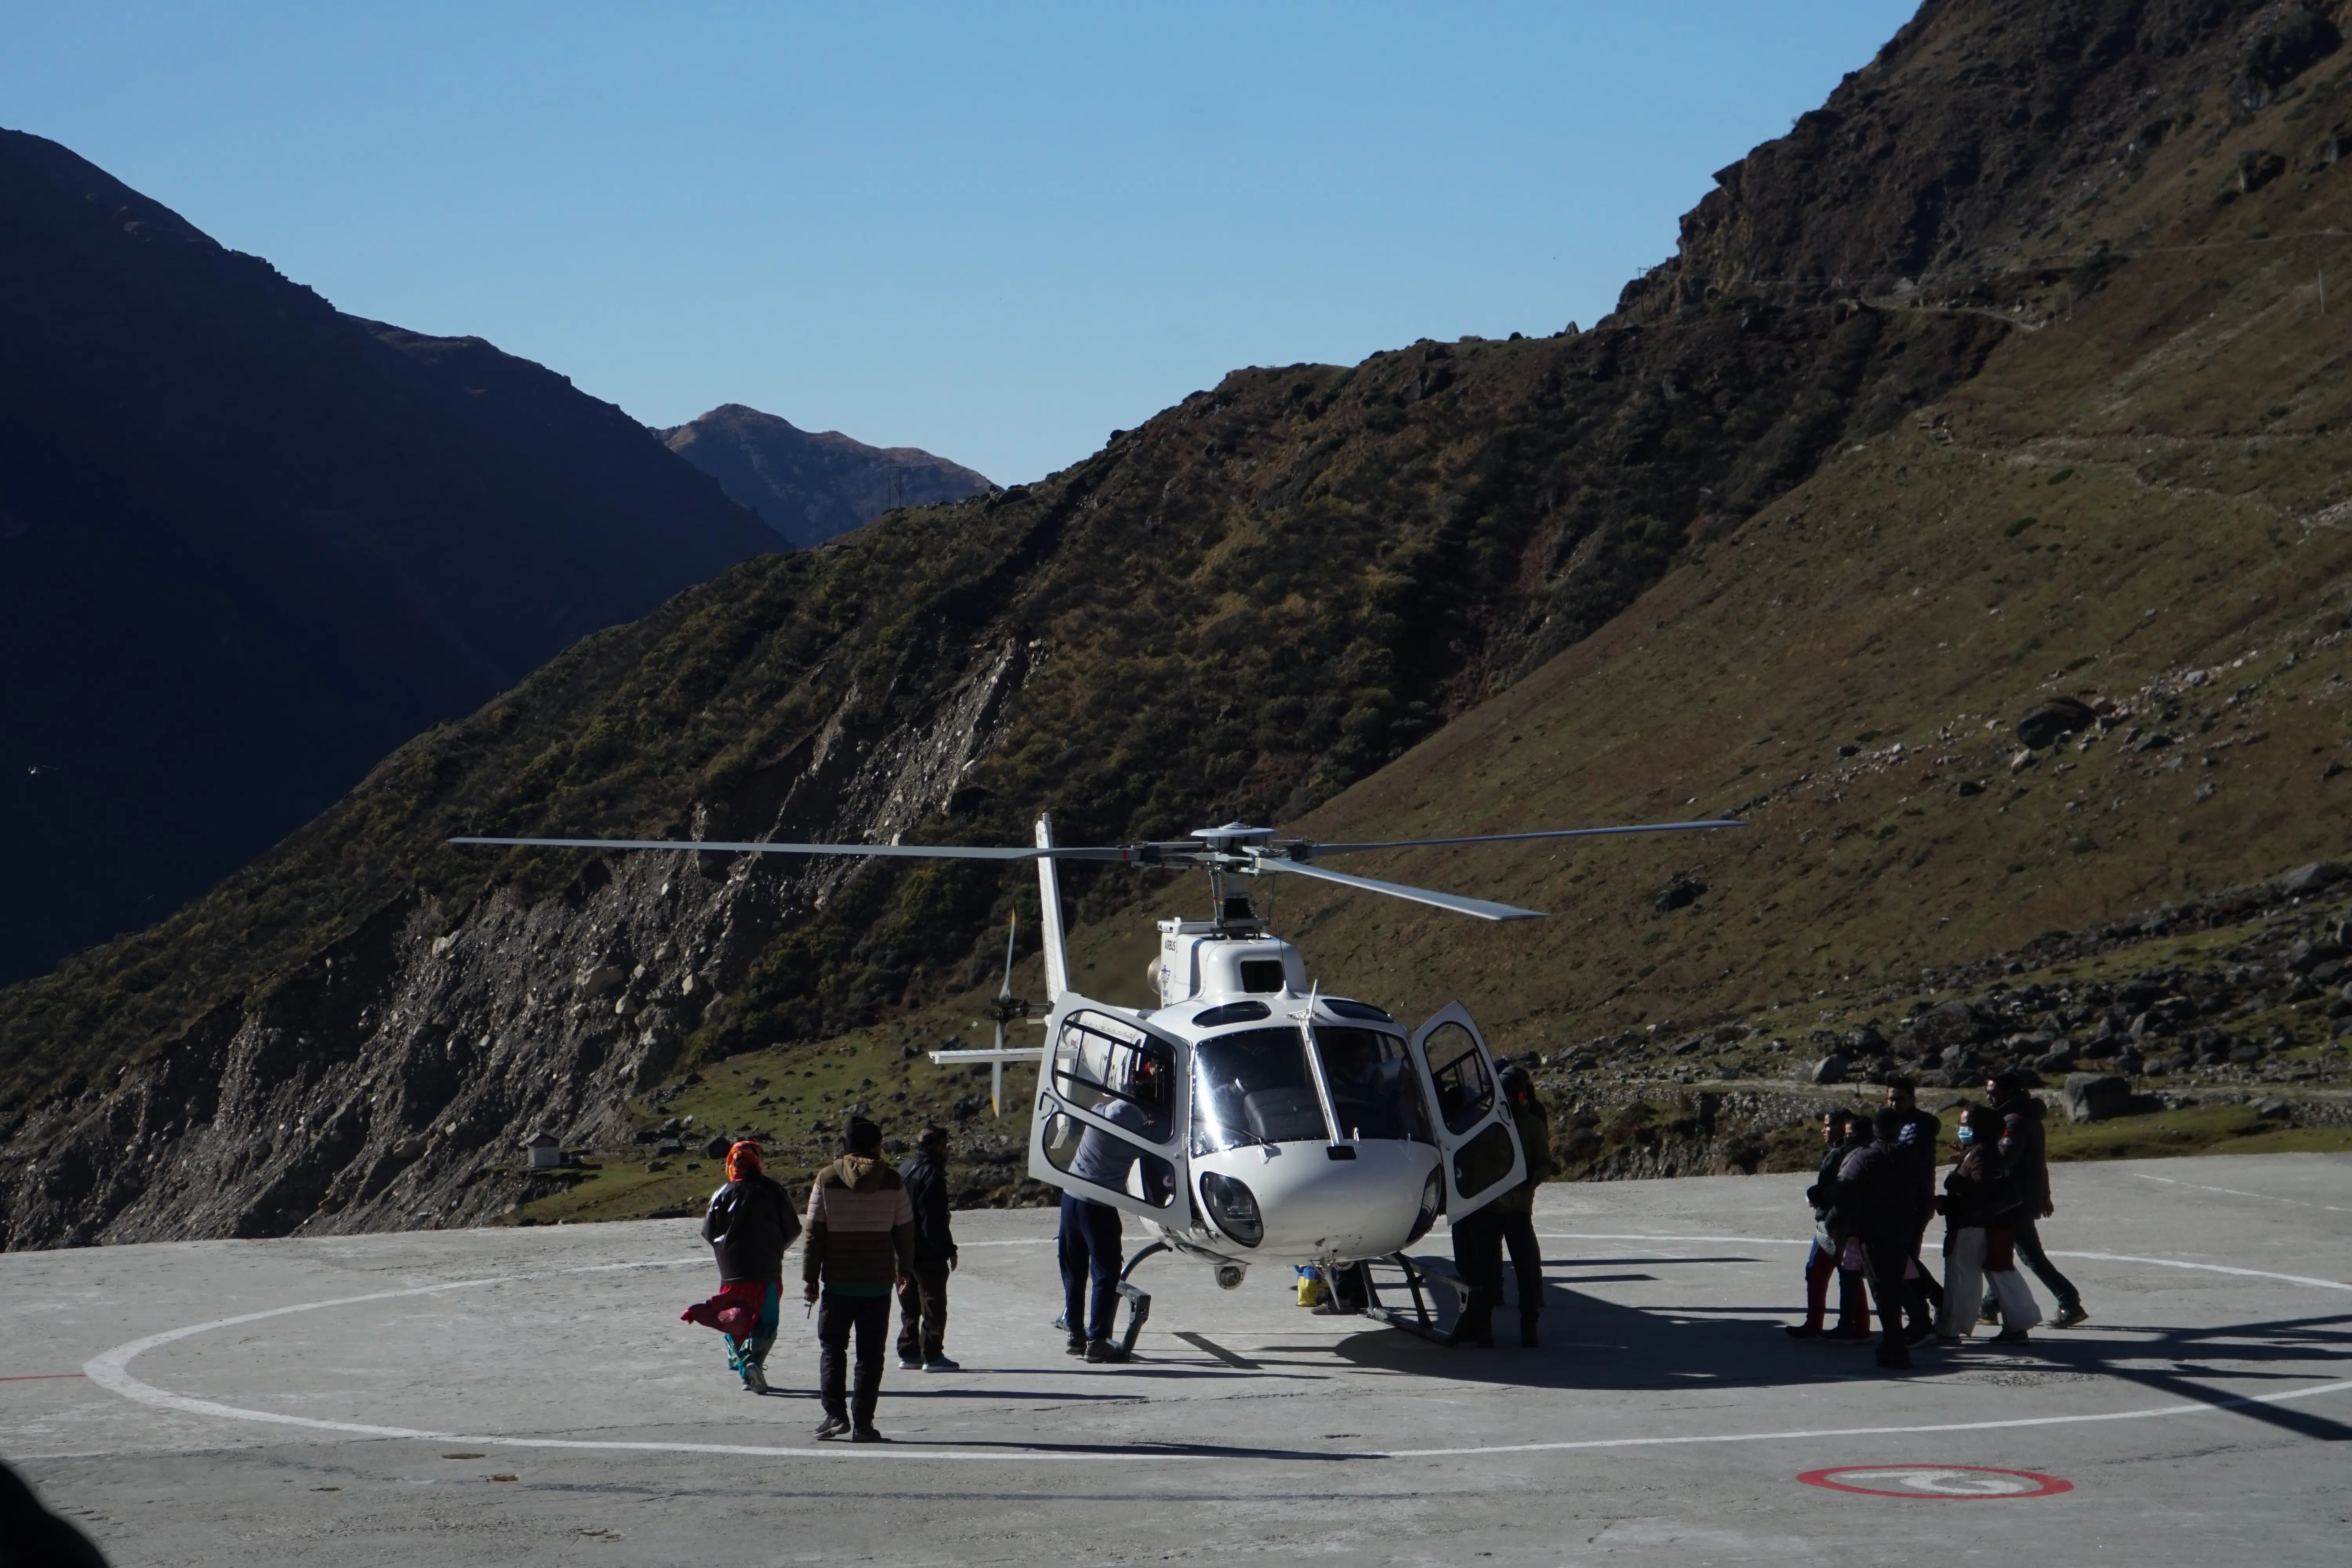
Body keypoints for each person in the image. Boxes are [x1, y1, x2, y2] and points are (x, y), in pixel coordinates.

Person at [803, 1118, 917, 1442]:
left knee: (833, 1349)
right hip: (878, 1283)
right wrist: (904, 1270)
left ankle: (835, 1415)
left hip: (838, 1282)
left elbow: (814, 1235)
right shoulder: (893, 1181)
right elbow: (905, 1232)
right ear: (874, 1145)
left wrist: (810, 1279)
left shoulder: (826, 1179)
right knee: (870, 1355)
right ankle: (864, 1424)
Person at [1058, 1053, 1167, 1363]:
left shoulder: (1101, 1112)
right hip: (1098, 1206)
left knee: (1074, 1271)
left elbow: (1105, 1105)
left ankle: (1075, 1335)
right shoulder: (1134, 1131)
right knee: (1105, 1274)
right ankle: (1098, 1342)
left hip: (1071, 1198)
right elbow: (1162, 1140)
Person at [681, 1139, 799, 1393]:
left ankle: (746, 1372)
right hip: (767, 1270)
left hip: (733, 1273)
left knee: (737, 1319)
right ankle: (752, 1362)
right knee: (766, 1323)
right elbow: (792, 1229)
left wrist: (728, 1253)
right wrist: (776, 1249)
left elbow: (709, 1232)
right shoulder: (774, 1190)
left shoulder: (722, 1194)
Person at [1454, 1061, 1555, 1348]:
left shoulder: (1533, 1125)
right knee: (1484, 1273)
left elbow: (1545, 1163)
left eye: (1515, 1095)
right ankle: (1484, 1327)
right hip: (1487, 1210)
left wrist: (1531, 1179)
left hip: (1518, 1211)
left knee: (1526, 1270)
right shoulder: (1485, 1123)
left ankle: (1529, 1325)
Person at [1980, 1073, 2088, 1328]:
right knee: (2009, 1253)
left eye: (1993, 1092)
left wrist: (1976, 1154)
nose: (1989, 1097)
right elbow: (2039, 1164)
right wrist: (2045, 1196)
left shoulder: (2013, 1123)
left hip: (2013, 1202)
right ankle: (1989, 1306)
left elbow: (2004, 1160)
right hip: (2024, 1199)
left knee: (2029, 1256)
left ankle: (2069, 1301)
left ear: (2009, 1093)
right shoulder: (2029, 1120)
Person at [1935, 1103, 2038, 1344]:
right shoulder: (1981, 1150)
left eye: (1966, 1124)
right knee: (1999, 1274)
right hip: (1989, 1225)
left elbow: (1982, 1191)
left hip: (1972, 1226)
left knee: (1960, 1277)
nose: (1961, 1128)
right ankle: (2017, 1326)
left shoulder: (1981, 1153)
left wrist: (1952, 1190)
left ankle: (1950, 1329)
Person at [1824, 1107, 1917, 1370]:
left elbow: (1844, 1193)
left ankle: (1894, 1347)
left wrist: (1831, 1223)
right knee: (1895, 1288)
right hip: (1903, 1230)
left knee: (1883, 1292)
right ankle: (1897, 1342)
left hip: (1873, 1233)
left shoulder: (1866, 1158)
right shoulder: (1910, 1156)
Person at [1788, 1108, 1870, 1340]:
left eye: (1828, 1125)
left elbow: (1833, 1191)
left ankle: (1816, 1324)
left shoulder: (1841, 1153)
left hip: (1832, 1225)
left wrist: (1817, 1197)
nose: (1824, 1130)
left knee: (1817, 1272)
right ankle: (1860, 1325)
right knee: (1849, 1273)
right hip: (1842, 1224)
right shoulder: (1855, 1151)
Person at [895, 1125, 960, 1372]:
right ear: (935, 1146)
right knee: (933, 1302)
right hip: (926, 1251)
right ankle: (933, 1355)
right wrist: (948, 1250)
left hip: (902, 1249)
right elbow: (933, 1221)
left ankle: (909, 1353)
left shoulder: (905, 1169)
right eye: (945, 1145)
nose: (949, 1150)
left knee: (909, 1304)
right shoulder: (932, 1174)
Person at [1884, 1076, 1944, 1344]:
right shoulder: (1894, 1123)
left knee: (1904, 1261)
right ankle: (1924, 1312)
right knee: (1906, 1261)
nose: (1894, 1104)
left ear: (1913, 1099)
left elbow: (1905, 1163)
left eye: (1900, 1099)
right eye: (1891, 1099)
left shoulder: (1919, 1128)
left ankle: (1930, 1307)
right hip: (1901, 1204)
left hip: (1915, 1204)